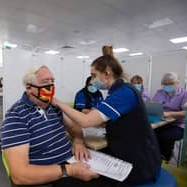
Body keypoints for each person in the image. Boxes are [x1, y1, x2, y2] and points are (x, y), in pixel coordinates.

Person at [52, 46, 161, 186]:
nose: (92, 80)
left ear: (107, 74)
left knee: (70, 182)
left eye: (93, 75)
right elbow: (105, 120)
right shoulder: (118, 91)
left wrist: (57, 102)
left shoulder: (123, 94)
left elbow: (86, 121)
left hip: (138, 163)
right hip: (131, 153)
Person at [1, 65, 118, 187]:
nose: (51, 86)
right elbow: (20, 175)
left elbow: (74, 128)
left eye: (52, 81)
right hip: (52, 175)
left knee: (114, 179)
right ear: (29, 87)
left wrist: (78, 141)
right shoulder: (16, 116)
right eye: (45, 82)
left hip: (72, 162)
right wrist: (69, 170)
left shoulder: (53, 107)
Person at [152, 72, 187, 161]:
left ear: (177, 83)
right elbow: (153, 105)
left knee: (165, 136)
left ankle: (165, 156)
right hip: (162, 122)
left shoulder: (185, 94)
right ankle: (154, 155)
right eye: (165, 84)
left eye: (170, 84)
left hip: (178, 125)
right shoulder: (160, 92)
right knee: (150, 132)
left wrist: (169, 113)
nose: (167, 86)